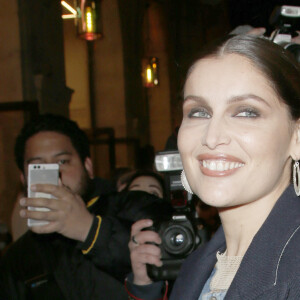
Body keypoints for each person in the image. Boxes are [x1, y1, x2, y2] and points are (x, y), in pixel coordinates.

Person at [125, 34, 300, 299]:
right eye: (198, 112)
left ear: (297, 137)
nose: (211, 136)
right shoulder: (197, 266)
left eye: (246, 112)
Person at [0, 114, 172, 299]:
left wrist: (90, 230)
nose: (54, 176)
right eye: (38, 167)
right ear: (24, 179)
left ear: (87, 166)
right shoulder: (19, 257)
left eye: (62, 162)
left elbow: (174, 258)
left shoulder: (133, 206)